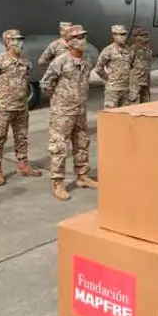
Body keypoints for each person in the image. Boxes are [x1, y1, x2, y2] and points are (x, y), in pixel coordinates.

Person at [41, 24, 98, 200]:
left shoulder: (86, 63)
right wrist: (59, 101)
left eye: (83, 37)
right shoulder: (60, 62)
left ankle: (82, 176)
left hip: (80, 111)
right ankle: (58, 182)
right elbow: (46, 84)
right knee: (59, 147)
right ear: (70, 42)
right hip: (63, 112)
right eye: (78, 38)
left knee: (82, 143)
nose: (83, 41)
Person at [0, 29, 44, 184]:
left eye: (20, 40)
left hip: (21, 107)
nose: (19, 43)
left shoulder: (25, 62)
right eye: (15, 40)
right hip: (3, 108)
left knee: (21, 137)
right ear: (7, 42)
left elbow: (25, 81)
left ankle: (23, 165)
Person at [94, 25, 133, 109]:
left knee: (125, 114)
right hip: (113, 89)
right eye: (120, 34)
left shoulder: (129, 50)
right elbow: (98, 68)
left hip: (126, 89)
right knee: (110, 114)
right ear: (114, 35)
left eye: (124, 34)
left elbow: (132, 66)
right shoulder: (108, 50)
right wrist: (108, 79)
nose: (123, 37)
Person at [128, 26, 153, 104]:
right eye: (142, 35)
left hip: (146, 81)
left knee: (146, 103)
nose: (145, 37)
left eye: (146, 35)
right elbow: (128, 64)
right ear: (136, 37)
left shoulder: (148, 48)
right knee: (134, 103)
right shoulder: (133, 49)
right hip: (136, 82)